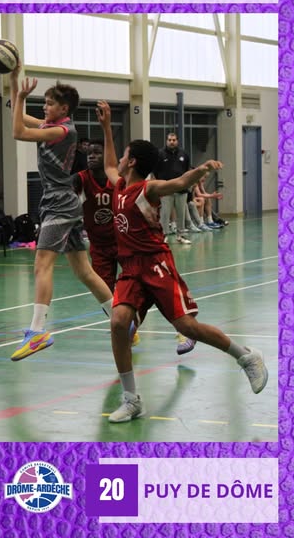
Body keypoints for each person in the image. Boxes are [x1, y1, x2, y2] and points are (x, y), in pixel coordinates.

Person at [96, 100, 268, 423]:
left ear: (132, 161)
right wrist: (106, 127)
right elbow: (108, 164)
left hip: (156, 265)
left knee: (187, 327)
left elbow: (178, 183)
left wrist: (201, 170)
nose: (117, 160)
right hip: (130, 269)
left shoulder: (147, 188)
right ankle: (131, 399)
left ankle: (246, 357)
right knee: (119, 323)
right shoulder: (119, 185)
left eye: (123, 155)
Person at [9, 65, 114, 361]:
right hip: (62, 201)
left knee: (42, 265)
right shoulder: (53, 126)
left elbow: (17, 131)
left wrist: (21, 98)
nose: (44, 107)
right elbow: (19, 117)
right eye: (43, 103)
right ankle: (122, 320)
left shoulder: (62, 131)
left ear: (64, 108)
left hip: (59, 204)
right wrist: (15, 82)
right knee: (84, 271)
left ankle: (37, 332)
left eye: (48, 103)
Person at [72, 140, 195, 354]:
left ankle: (185, 329)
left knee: (159, 291)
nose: (92, 156)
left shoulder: (121, 181)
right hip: (100, 246)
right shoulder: (81, 179)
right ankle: (129, 327)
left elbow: (175, 184)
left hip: (128, 245)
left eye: (97, 152)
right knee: (107, 294)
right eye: (89, 153)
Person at [153, 132, 192, 244]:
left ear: (177, 141)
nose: (171, 142)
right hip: (166, 189)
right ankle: (163, 236)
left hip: (181, 189)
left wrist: (186, 184)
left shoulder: (184, 154)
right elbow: (155, 171)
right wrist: (160, 185)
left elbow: (187, 171)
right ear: (166, 141)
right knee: (165, 214)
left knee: (181, 213)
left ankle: (181, 236)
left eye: (174, 140)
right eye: (169, 140)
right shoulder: (160, 154)